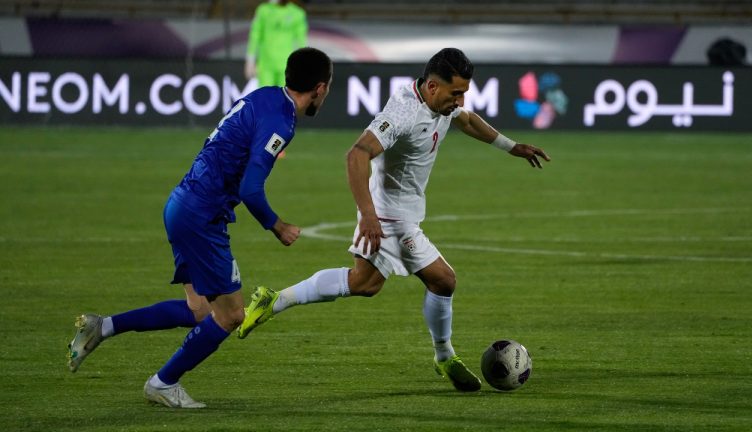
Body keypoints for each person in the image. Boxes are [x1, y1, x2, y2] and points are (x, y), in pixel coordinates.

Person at [237, 47, 550, 392]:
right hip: (388, 216)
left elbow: (467, 120)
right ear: (433, 87)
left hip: (402, 214)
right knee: (441, 280)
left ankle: (274, 300)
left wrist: (512, 146)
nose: (460, 101)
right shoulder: (403, 112)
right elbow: (356, 155)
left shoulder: (443, 104)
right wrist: (369, 217)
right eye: (456, 93)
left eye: (463, 93)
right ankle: (445, 357)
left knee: (368, 284)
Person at [67, 47, 333, 408]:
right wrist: (277, 226)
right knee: (232, 315)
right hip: (202, 217)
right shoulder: (281, 123)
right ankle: (163, 383)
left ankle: (103, 327)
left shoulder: (264, 96)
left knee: (199, 312)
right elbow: (250, 189)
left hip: (181, 203)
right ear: (319, 88)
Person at [244, 0, 308, 87]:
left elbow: (301, 41)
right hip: (266, 66)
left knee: (285, 95)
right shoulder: (263, 11)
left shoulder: (297, 14)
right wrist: (250, 60)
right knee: (266, 95)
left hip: (287, 66)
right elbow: (255, 36)